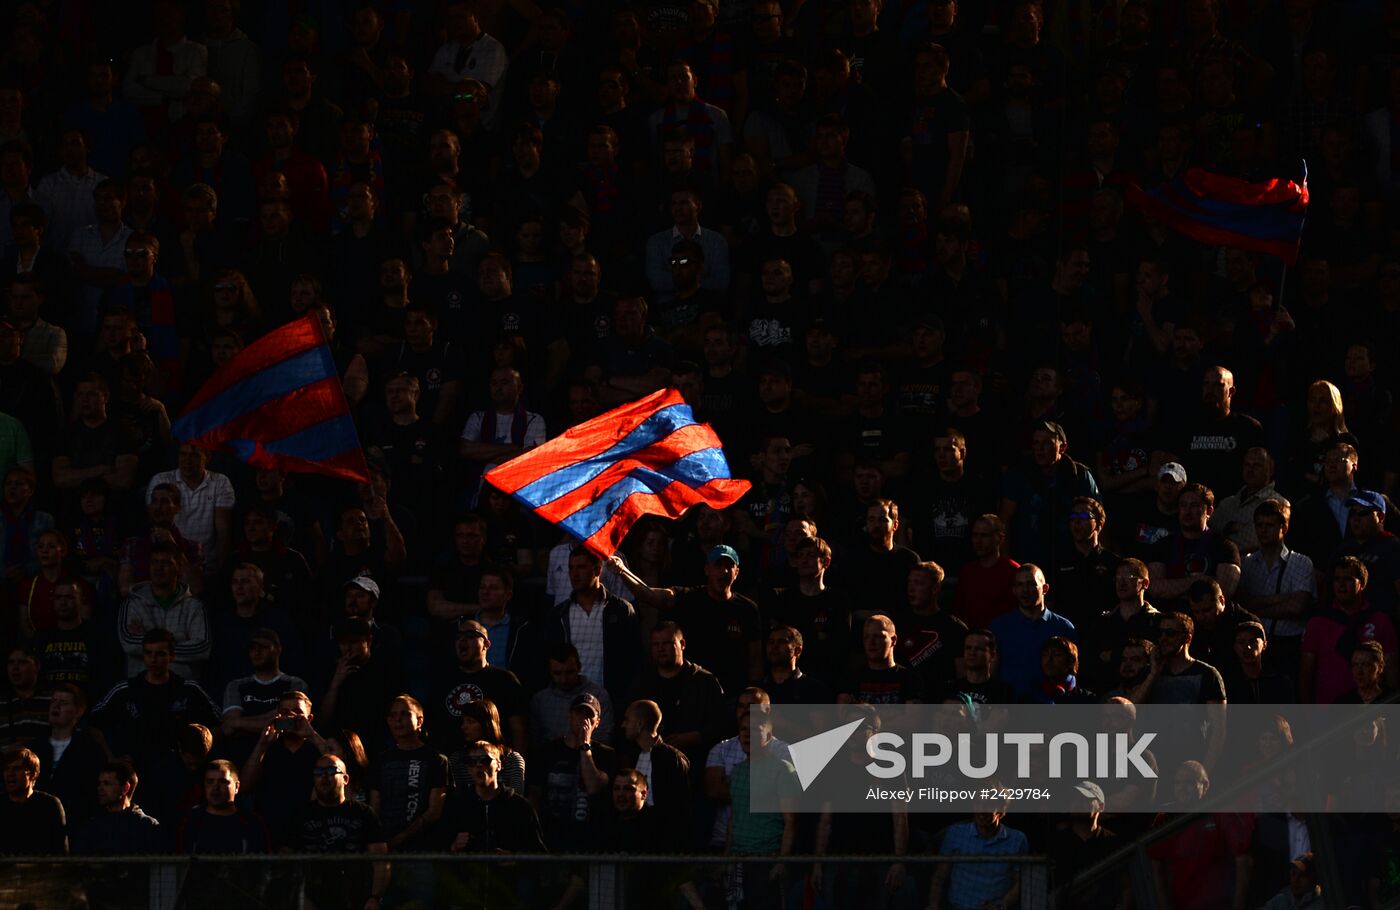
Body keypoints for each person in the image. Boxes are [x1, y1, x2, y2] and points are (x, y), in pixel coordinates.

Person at [613, 545, 761, 700]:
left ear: (736, 572)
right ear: (707, 569)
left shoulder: (748, 609)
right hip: (690, 691)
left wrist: (752, 697)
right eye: (718, 565)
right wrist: (622, 570)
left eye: (729, 566)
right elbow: (649, 594)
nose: (723, 571)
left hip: (732, 694)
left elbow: (755, 661)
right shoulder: (689, 598)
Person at [91, 629, 220, 775]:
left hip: (179, 774)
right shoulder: (125, 690)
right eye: (148, 653)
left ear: (172, 656)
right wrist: (111, 757)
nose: (153, 659)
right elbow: (93, 724)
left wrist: (198, 756)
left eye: (160, 654)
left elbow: (217, 723)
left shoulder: (188, 689)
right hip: (137, 772)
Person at [1299, 557, 1399, 704]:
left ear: (1362, 584)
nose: (1341, 585)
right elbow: (1305, 674)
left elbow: (1392, 671)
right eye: (1337, 579)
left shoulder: (1380, 621)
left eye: (1348, 579)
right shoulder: (1318, 623)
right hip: (1327, 710)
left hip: (1371, 709)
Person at [298, 753, 390, 910]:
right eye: (318, 772)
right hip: (312, 899)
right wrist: (300, 898)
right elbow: (286, 859)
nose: (324, 776)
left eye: (331, 771)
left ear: (346, 779)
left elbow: (381, 860)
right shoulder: (301, 815)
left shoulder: (364, 813)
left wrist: (375, 897)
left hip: (356, 899)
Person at [529, 691, 617, 854]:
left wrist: (585, 745)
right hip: (552, 839)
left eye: (589, 715)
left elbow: (594, 787)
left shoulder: (606, 755)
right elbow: (535, 795)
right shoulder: (547, 752)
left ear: (597, 722)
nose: (583, 719)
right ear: (569, 716)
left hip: (590, 841)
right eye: (579, 713)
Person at [988, 564, 1077, 701]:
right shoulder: (1000, 627)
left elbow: (1073, 672)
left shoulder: (1063, 628)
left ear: (1045, 588)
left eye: (1031, 584)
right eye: (1020, 585)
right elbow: (991, 672)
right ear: (1014, 590)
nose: (1025, 590)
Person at [928, 794, 1028, 910]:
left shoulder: (1017, 839)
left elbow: (1020, 882)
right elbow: (940, 876)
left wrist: (1002, 904)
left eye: (989, 805)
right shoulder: (956, 834)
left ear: (1001, 809)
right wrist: (933, 905)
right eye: (978, 803)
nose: (982, 811)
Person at [617, 699, 692, 849]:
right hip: (632, 838)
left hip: (662, 841)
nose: (623, 725)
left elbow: (680, 808)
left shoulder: (672, 759)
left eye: (627, 719)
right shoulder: (628, 756)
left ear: (640, 724)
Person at [30, 682, 108, 827]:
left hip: (74, 824)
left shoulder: (90, 751)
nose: (56, 706)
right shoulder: (35, 747)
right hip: (37, 822)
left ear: (79, 711)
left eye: (63, 703)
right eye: (53, 701)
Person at [529, 643, 613, 751]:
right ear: (549, 671)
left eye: (569, 672)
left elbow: (604, 737)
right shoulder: (540, 701)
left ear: (579, 667)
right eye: (557, 673)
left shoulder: (598, 695)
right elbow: (535, 742)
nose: (564, 679)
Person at [837, 613, 925, 704]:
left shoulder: (910, 679)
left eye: (878, 636)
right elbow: (844, 716)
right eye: (867, 637)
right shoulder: (851, 679)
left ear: (893, 640)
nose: (871, 642)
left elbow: (913, 717)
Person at [0, 746, 67, 854]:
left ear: (33, 774)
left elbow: (60, 852)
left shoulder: (49, 805)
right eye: (7, 769)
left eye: (17, 768)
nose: (10, 773)